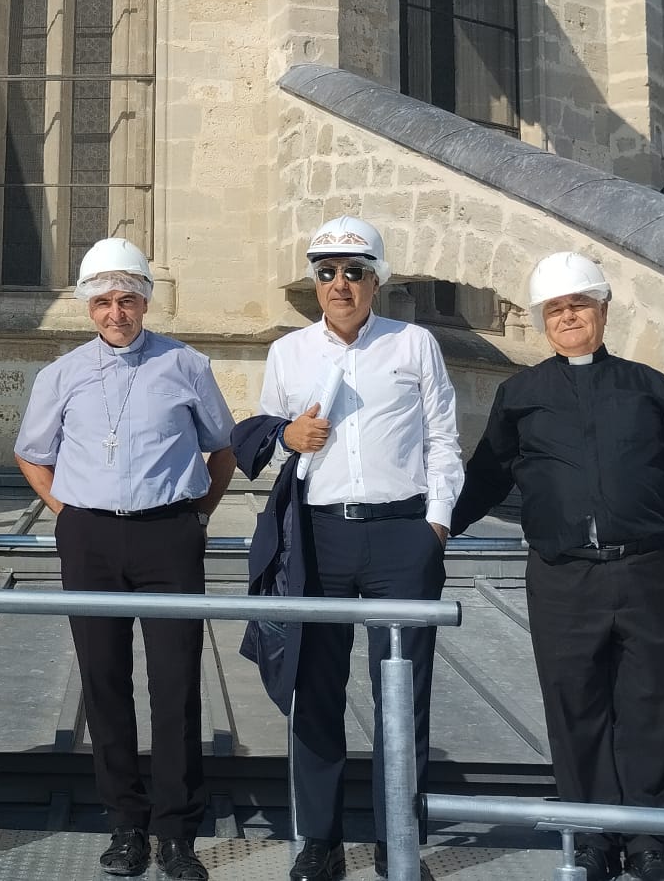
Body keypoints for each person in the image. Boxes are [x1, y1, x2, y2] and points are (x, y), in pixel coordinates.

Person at [451, 252, 664, 881]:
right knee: (575, 708)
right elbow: (486, 476)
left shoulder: (647, 386)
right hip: (563, 576)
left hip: (648, 569)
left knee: (651, 705)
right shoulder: (520, 395)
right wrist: (439, 528)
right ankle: (596, 836)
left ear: (602, 310)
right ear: (544, 320)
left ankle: (649, 842)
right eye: (556, 309)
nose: (568, 317)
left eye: (579, 305)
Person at [14, 238, 236, 881]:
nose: (117, 313)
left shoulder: (186, 364)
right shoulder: (61, 373)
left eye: (128, 300)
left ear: (145, 301)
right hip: (90, 539)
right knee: (103, 684)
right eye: (105, 302)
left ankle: (177, 833)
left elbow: (220, 449)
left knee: (176, 687)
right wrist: (66, 512)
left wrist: (196, 517)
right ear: (89, 307)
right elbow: (34, 453)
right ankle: (125, 826)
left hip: (168, 534)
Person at [260, 216, 462, 881]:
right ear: (313, 282)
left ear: (377, 279)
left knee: (401, 690)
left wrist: (433, 525)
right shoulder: (288, 354)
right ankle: (318, 839)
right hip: (319, 536)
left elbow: (442, 441)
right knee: (315, 687)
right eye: (326, 272)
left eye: (353, 271)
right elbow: (270, 439)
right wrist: (289, 438)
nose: (338, 284)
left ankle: (396, 837)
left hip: (401, 534)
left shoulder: (414, 345)